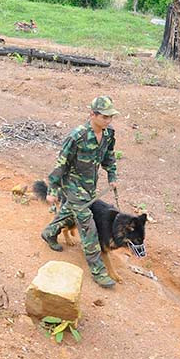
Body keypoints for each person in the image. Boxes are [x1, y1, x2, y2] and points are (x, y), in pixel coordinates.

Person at [41, 96, 121, 288]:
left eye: (111, 117)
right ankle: (98, 271)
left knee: (69, 211)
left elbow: (109, 157)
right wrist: (52, 189)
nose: (108, 120)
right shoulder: (77, 136)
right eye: (104, 117)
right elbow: (61, 163)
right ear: (92, 114)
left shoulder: (108, 134)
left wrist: (112, 177)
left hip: (89, 186)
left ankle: (50, 232)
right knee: (88, 226)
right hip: (73, 185)